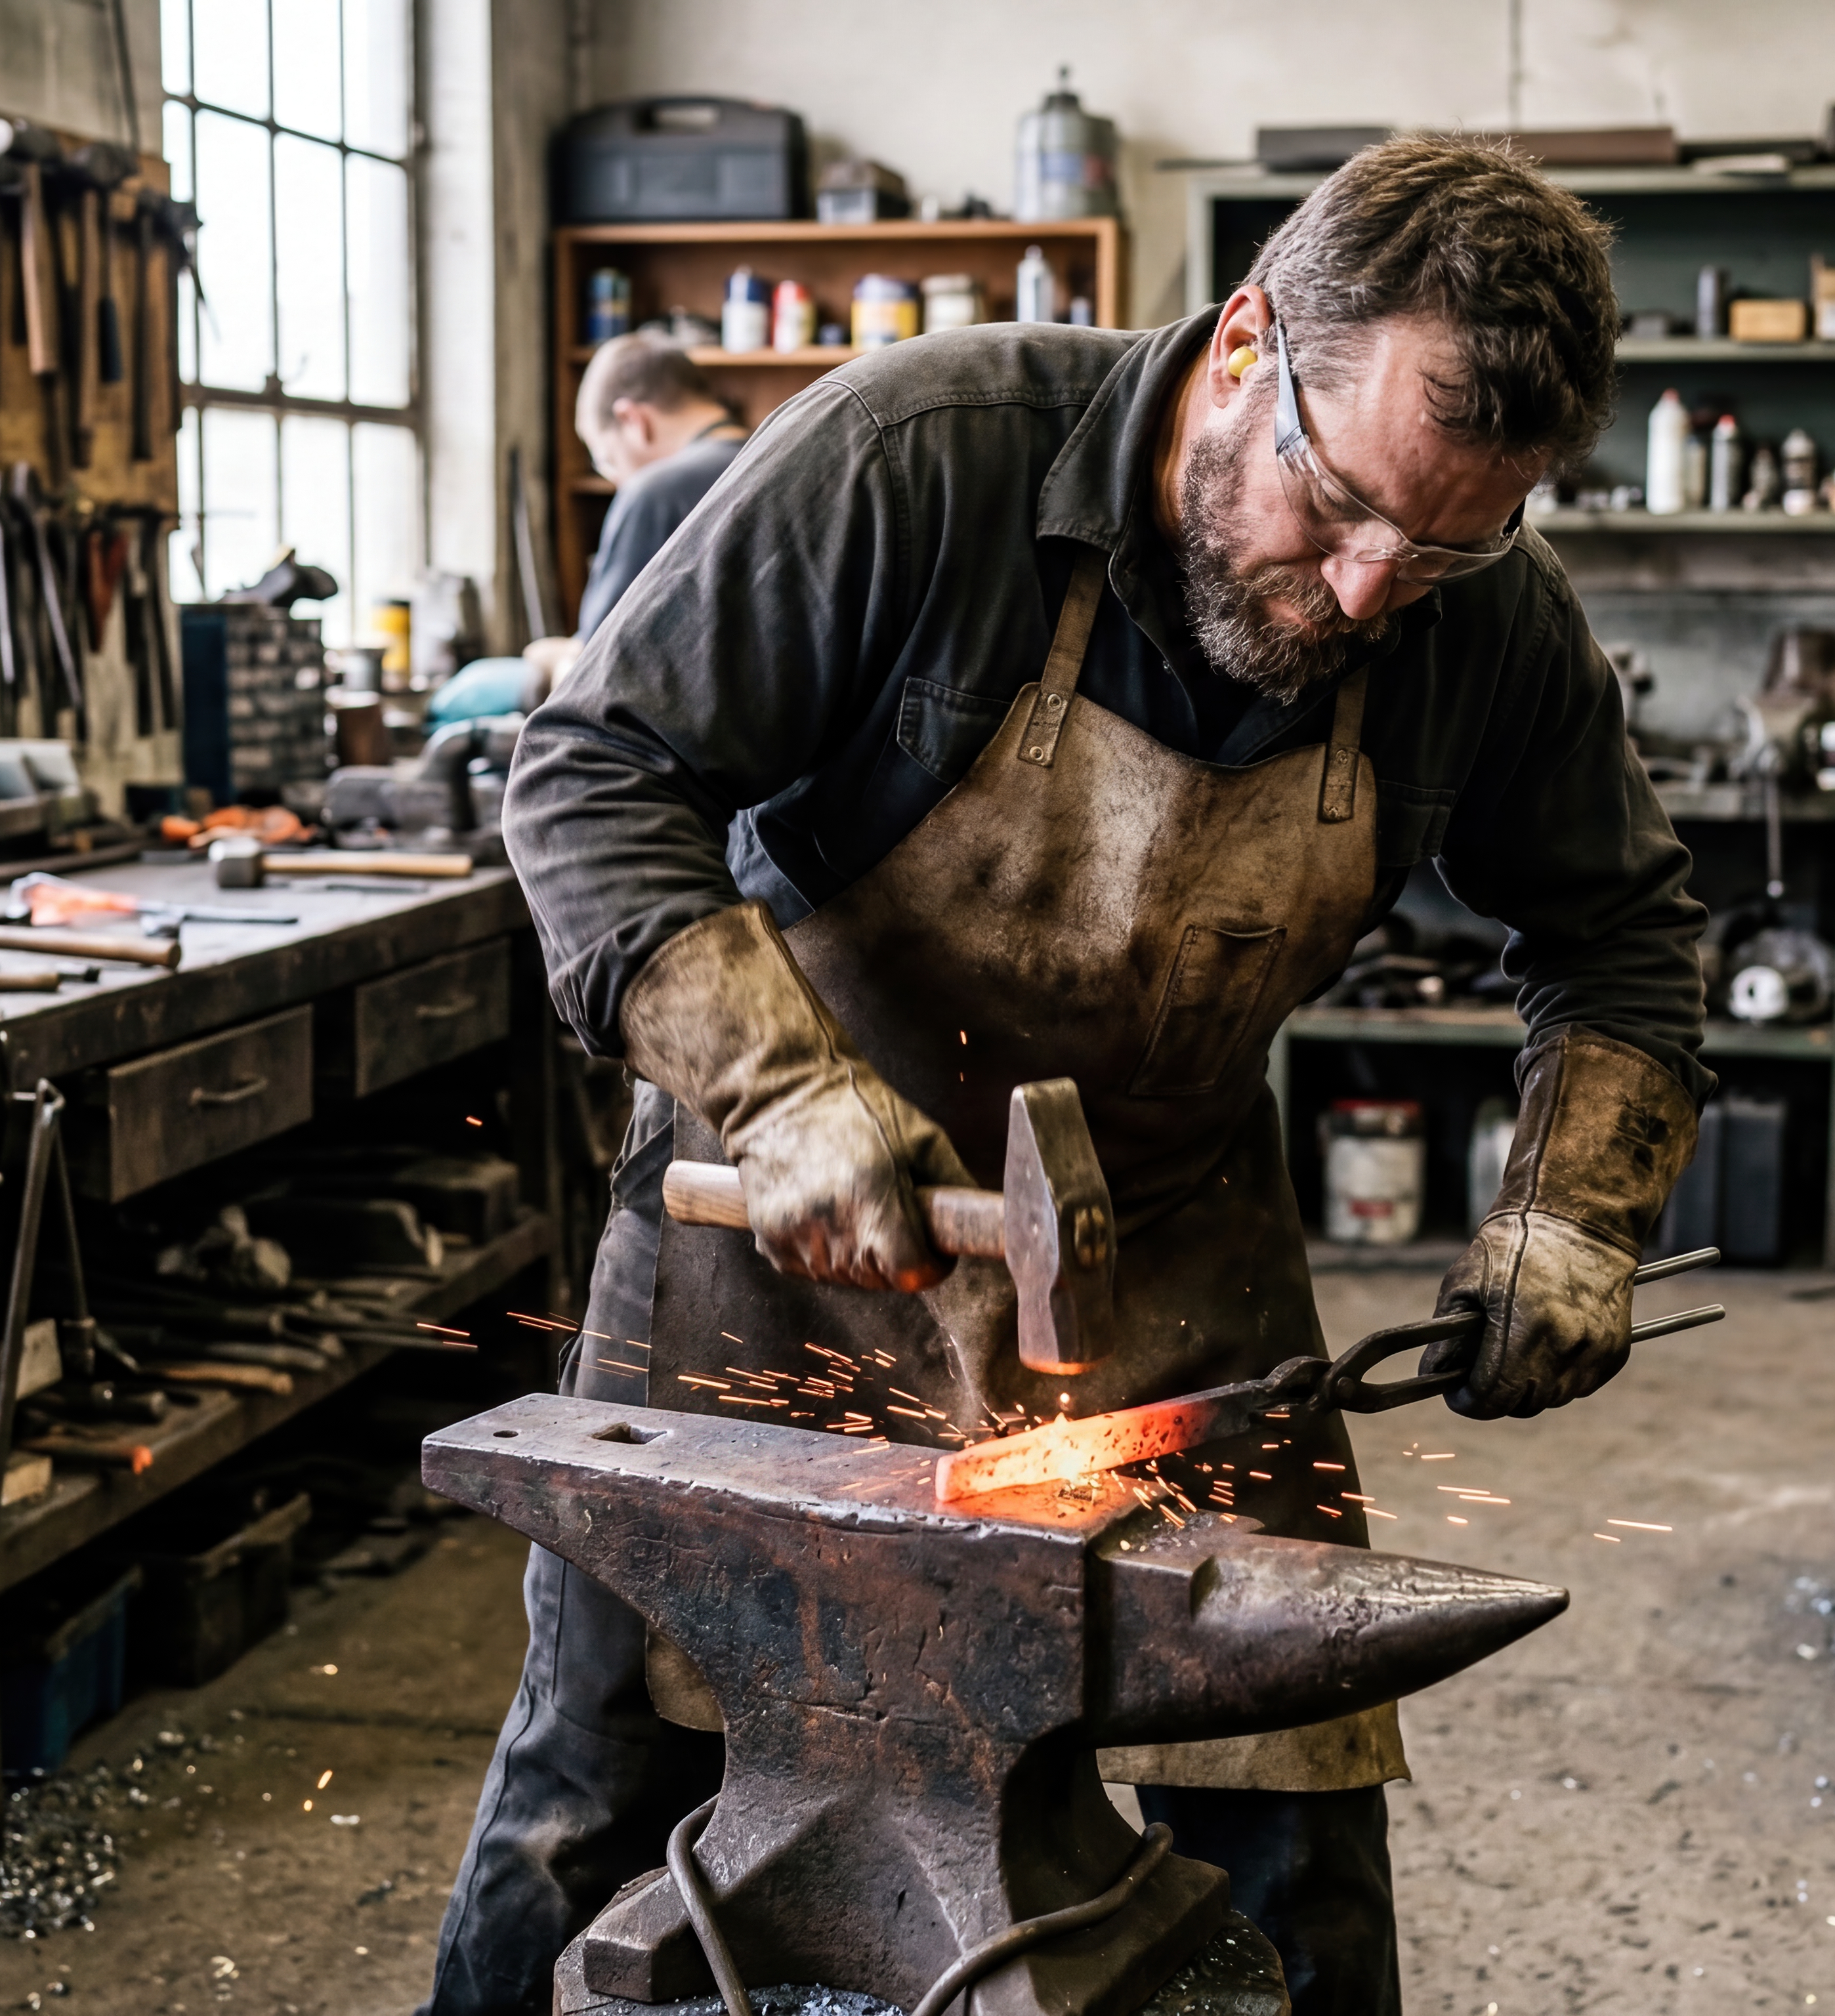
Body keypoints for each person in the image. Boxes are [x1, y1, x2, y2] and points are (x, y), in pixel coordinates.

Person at [425, 137, 1710, 2016]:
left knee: (1293, 1854)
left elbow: (1622, 939)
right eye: (1339, 503)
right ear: (1252, 338)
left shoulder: (1482, 624)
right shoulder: (917, 461)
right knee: (596, 1799)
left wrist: (1571, 1220)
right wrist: (783, 1097)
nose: (1369, 591)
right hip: (777, 1248)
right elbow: (592, 777)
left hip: (1177, 1285)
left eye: (1445, 545)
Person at [520, 333, 752, 698]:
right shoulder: (777, 468)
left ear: (633, 420)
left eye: (605, 459)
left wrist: (554, 662)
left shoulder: (654, 493)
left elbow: (591, 678)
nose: (614, 479)